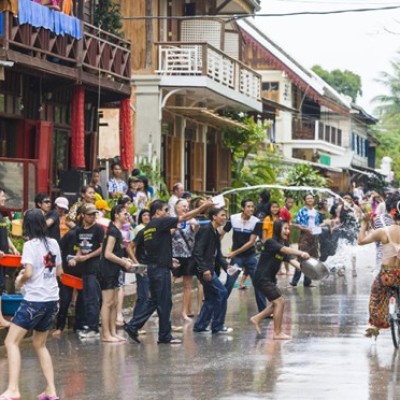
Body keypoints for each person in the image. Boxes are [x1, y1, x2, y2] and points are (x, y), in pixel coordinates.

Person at [124, 198, 212, 344]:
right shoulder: (160, 222)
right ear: (157, 212)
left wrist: (168, 260)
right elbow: (184, 217)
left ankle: (135, 327)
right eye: (165, 210)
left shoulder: (149, 228)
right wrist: (203, 207)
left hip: (154, 268)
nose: (167, 213)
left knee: (155, 301)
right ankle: (162, 335)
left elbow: (156, 249)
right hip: (160, 271)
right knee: (164, 302)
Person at [0, 209, 62, 400]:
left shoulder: (30, 245)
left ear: (27, 225)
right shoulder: (54, 243)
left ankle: (13, 390)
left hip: (35, 301)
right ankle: (51, 390)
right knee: (40, 344)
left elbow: (28, 272)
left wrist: (20, 281)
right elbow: (59, 272)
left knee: (11, 341)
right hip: (52, 301)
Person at [250, 219, 310, 340]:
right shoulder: (271, 242)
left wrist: (306, 269)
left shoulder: (284, 244)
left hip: (269, 279)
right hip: (262, 278)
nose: (287, 231)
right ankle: (277, 333)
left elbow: (290, 259)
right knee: (280, 302)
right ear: (278, 229)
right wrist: (301, 252)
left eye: (288, 229)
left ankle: (256, 318)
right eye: (285, 228)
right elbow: (285, 250)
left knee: (276, 304)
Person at [358, 192, 400, 338]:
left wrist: (364, 223)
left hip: (387, 275)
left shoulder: (383, 231)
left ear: (391, 212)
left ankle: (375, 325)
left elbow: (361, 241)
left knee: (377, 295)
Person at [222, 199, 266, 313]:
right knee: (229, 283)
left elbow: (251, 242)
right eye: (249, 206)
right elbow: (222, 233)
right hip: (236, 259)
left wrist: (233, 253)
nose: (251, 209)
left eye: (252, 206)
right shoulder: (233, 218)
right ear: (243, 208)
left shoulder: (257, 221)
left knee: (258, 283)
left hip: (251, 257)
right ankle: (217, 307)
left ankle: (263, 311)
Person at [193, 207, 232, 334]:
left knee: (210, 298)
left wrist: (227, 267)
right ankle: (218, 326)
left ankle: (200, 325)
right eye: (222, 215)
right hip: (205, 270)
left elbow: (218, 254)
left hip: (209, 268)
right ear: (214, 217)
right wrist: (204, 270)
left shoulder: (215, 232)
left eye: (225, 215)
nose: (224, 218)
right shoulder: (205, 230)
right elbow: (197, 252)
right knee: (222, 292)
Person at [98, 205, 134, 342]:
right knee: (107, 302)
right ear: (116, 215)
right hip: (107, 270)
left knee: (113, 302)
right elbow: (107, 253)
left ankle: (113, 332)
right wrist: (123, 262)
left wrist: (124, 258)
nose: (127, 216)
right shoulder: (113, 231)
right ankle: (106, 334)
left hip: (113, 269)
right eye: (125, 213)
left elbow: (114, 252)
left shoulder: (117, 231)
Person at [69, 204, 104, 339]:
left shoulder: (98, 229)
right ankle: (89, 325)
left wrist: (87, 257)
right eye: (90, 214)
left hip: (94, 267)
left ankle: (93, 327)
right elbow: (78, 248)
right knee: (86, 297)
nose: (92, 217)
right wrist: (76, 259)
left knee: (93, 298)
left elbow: (102, 248)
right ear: (83, 215)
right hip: (83, 268)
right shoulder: (78, 231)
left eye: (94, 214)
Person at [52, 226, 85, 338]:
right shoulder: (71, 234)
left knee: (82, 300)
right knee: (65, 300)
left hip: (83, 273)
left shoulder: (93, 234)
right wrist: (60, 266)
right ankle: (59, 327)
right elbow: (58, 250)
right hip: (67, 273)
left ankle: (79, 326)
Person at [171, 199, 200, 321]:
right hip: (173, 256)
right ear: (176, 208)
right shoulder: (171, 221)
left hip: (188, 255)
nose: (185, 208)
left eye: (187, 206)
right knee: (169, 283)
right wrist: (175, 227)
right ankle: (164, 308)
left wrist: (193, 223)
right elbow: (168, 235)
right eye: (183, 206)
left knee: (187, 285)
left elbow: (196, 230)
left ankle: (184, 312)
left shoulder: (191, 221)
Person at [290, 193, 320, 287]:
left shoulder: (316, 212)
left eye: (311, 198)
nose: (310, 200)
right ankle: (294, 282)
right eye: (308, 198)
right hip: (304, 237)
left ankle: (307, 282)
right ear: (305, 200)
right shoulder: (302, 211)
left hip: (314, 237)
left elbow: (317, 225)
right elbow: (296, 224)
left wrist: (318, 230)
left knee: (311, 258)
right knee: (301, 258)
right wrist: (305, 229)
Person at [0, 188, 20, 329]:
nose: (4, 198)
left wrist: (13, 247)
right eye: (1, 195)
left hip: (3, 258)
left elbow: (4, 234)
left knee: (0, 287)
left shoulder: (1, 215)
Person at [279, 196, 294, 275]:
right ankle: (287, 270)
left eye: (292, 203)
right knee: (286, 253)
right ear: (285, 202)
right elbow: (282, 224)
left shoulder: (287, 211)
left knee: (281, 253)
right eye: (289, 202)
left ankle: (279, 270)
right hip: (283, 236)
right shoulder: (283, 211)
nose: (291, 204)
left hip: (286, 236)